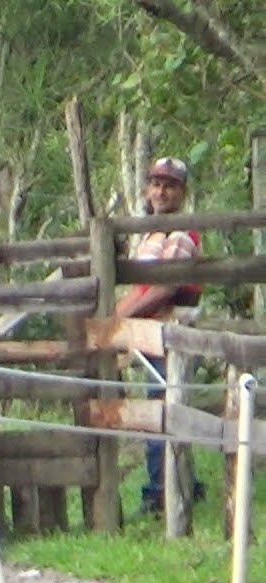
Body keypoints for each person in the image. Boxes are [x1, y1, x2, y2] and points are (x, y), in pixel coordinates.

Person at [113, 156, 205, 515]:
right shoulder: (151, 235)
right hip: (152, 333)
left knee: (164, 410)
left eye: (169, 185)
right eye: (156, 184)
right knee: (162, 407)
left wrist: (118, 316)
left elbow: (164, 289)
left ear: (182, 192)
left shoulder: (182, 234)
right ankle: (180, 486)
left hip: (172, 334)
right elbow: (143, 286)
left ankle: (161, 493)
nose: (161, 191)